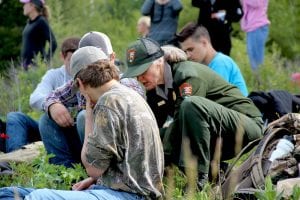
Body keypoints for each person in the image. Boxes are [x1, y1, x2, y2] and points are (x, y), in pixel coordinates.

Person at [0, 60, 164, 200]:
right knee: (9, 193)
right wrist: (96, 181)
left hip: (130, 195)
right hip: (129, 189)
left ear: (80, 83)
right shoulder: (128, 94)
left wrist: (89, 108)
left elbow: (92, 168)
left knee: (36, 197)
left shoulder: (108, 102)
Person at [123, 38, 263, 190]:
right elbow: (151, 129)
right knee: (156, 135)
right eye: (136, 74)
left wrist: (157, 161)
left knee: (189, 106)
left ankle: (197, 179)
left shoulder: (187, 75)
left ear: (159, 62)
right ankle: (217, 172)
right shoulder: (155, 88)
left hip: (245, 126)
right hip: (214, 134)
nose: (140, 78)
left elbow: (181, 127)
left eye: (143, 71)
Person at [41, 32, 145, 167]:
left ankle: (101, 170)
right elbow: (51, 96)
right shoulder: (81, 81)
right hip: (86, 143)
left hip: (119, 150)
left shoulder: (126, 83)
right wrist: (53, 105)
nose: (94, 70)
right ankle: (65, 172)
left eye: (99, 62)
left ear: (112, 57)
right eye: (87, 65)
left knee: (83, 116)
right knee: (47, 118)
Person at [4, 37, 80, 153]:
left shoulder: (88, 74)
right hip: (51, 129)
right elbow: (35, 98)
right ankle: (15, 161)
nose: (76, 65)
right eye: (71, 60)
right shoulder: (53, 75)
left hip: (76, 131)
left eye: (79, 60)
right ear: (62, 57)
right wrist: (52, 105)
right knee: (15, 117)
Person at [176, 22, 248, 96]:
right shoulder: (203, 65)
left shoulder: (220, 63)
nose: (187, 55)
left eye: (190, 49)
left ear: (204, 43)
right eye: (185, 51)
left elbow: (216, 98)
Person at [20, 0, 57, 70]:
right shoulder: (29, 23)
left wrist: (46, 61)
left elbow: (53, 42)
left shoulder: (41, 21)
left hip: (36, 66)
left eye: (25, 4)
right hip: (26, 65)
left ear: (32, 6)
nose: (23, 7)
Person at [241, 0, 270, 71]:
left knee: (256, 59)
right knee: (253, 57)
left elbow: (256, 3)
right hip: (252, 27)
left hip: (258, 26)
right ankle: (258, 79)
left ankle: (260, 80)